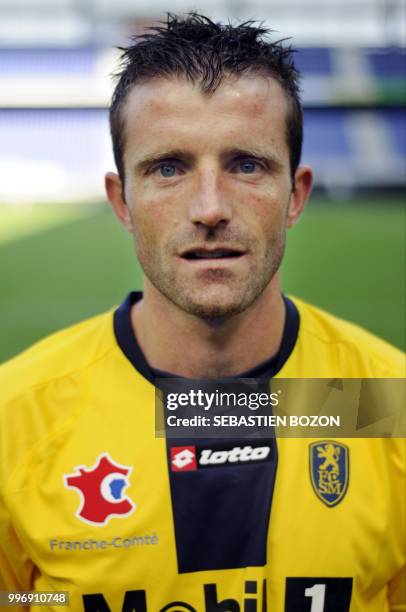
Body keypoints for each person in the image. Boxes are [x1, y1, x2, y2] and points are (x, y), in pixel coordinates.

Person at [0, 13, 404, 612]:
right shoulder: (16, 418)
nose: (210, 209)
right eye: (168, 168)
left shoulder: (385, 401)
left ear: (295, 195)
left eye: (246, 165)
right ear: (123, 201)